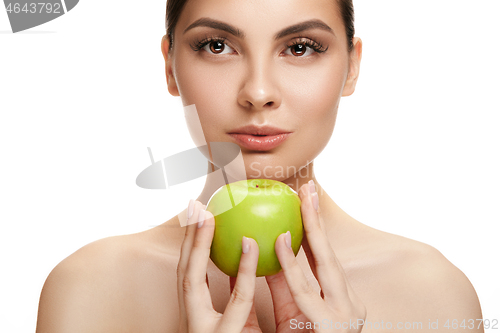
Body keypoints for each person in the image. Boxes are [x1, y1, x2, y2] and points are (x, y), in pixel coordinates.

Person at [35, 0, 483, 332]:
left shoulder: (433, 294)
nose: (258, 91)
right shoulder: (89, 289)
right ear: (170, 67)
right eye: (217, 46)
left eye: (302, 48)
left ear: (351, 67)